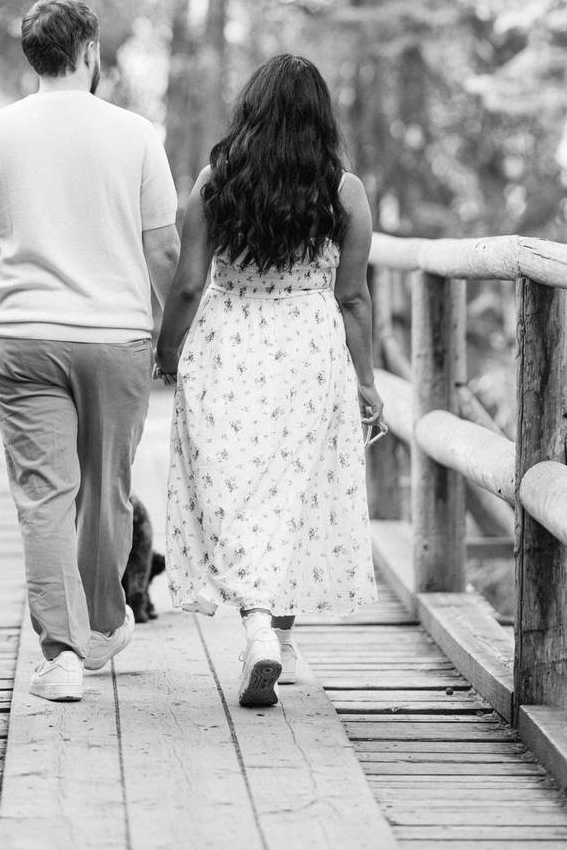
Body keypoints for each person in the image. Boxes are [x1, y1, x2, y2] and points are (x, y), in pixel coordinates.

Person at [0, 0, 179, 703]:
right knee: (105, 487)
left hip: (23, 337)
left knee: (44, 497)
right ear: (88, 53)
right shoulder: (137, 134)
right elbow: (165, 248)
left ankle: (61, 657)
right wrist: (168, 329)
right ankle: (105, 625)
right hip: (115, 337)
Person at [154, 53, 383, 708]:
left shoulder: (213, 182)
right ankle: (273, 633)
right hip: (308, 349)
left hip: (229, 344)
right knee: (291, 489)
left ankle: (256, 627)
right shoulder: (344, 192)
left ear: (247, 112)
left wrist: (169, 353)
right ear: (319, 117)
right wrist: (364, 379)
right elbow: (353, 297)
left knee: (235, 486)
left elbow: (190, 281)